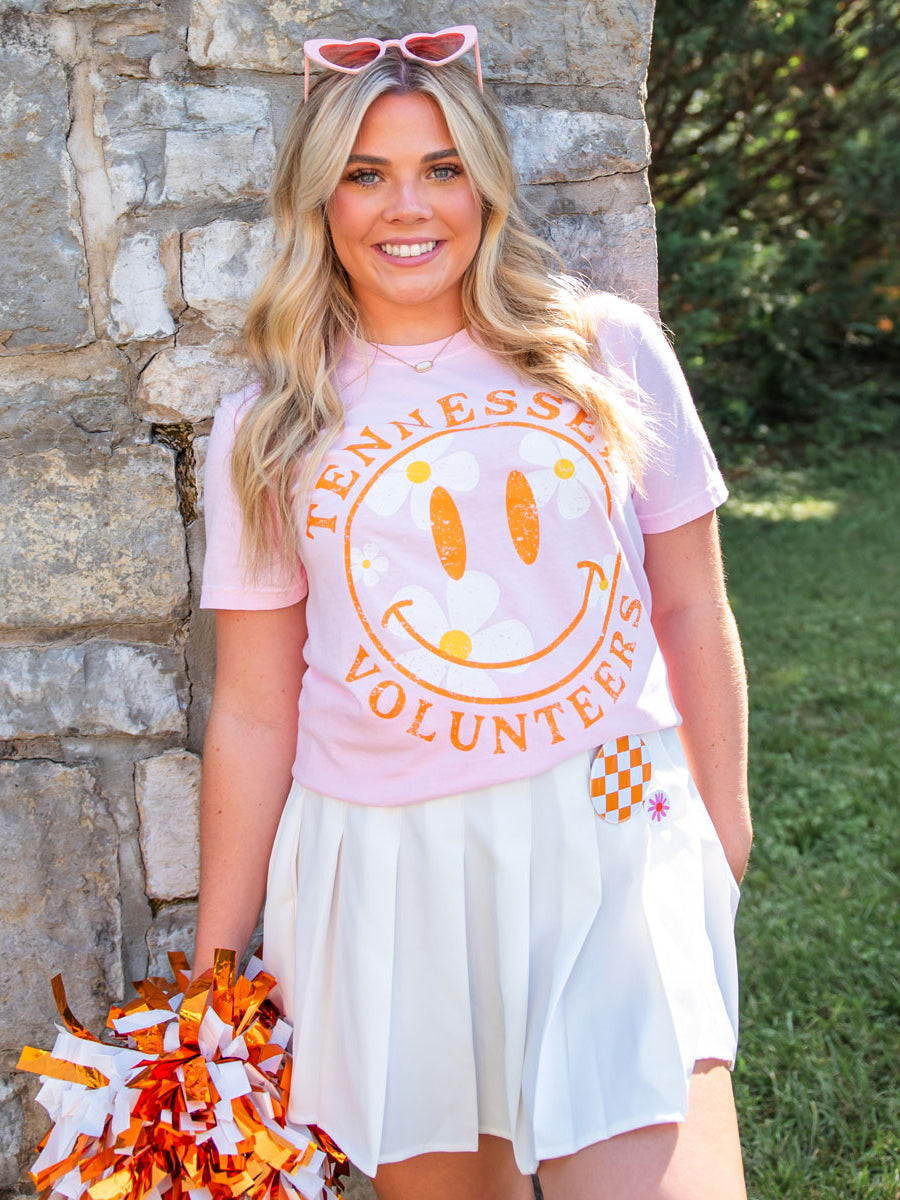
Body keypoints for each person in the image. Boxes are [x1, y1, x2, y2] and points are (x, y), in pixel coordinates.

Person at [194, 27, 752, 1200]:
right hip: (389, 869)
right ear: (320, 199)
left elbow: (693, 606)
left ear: (487, 181)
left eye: (443, 167)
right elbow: (252, 707)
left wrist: (723, 828)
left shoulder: (604, 358)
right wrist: (216, 956)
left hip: (610, 831)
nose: (411, 207)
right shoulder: (271, 420)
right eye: (368, 172)